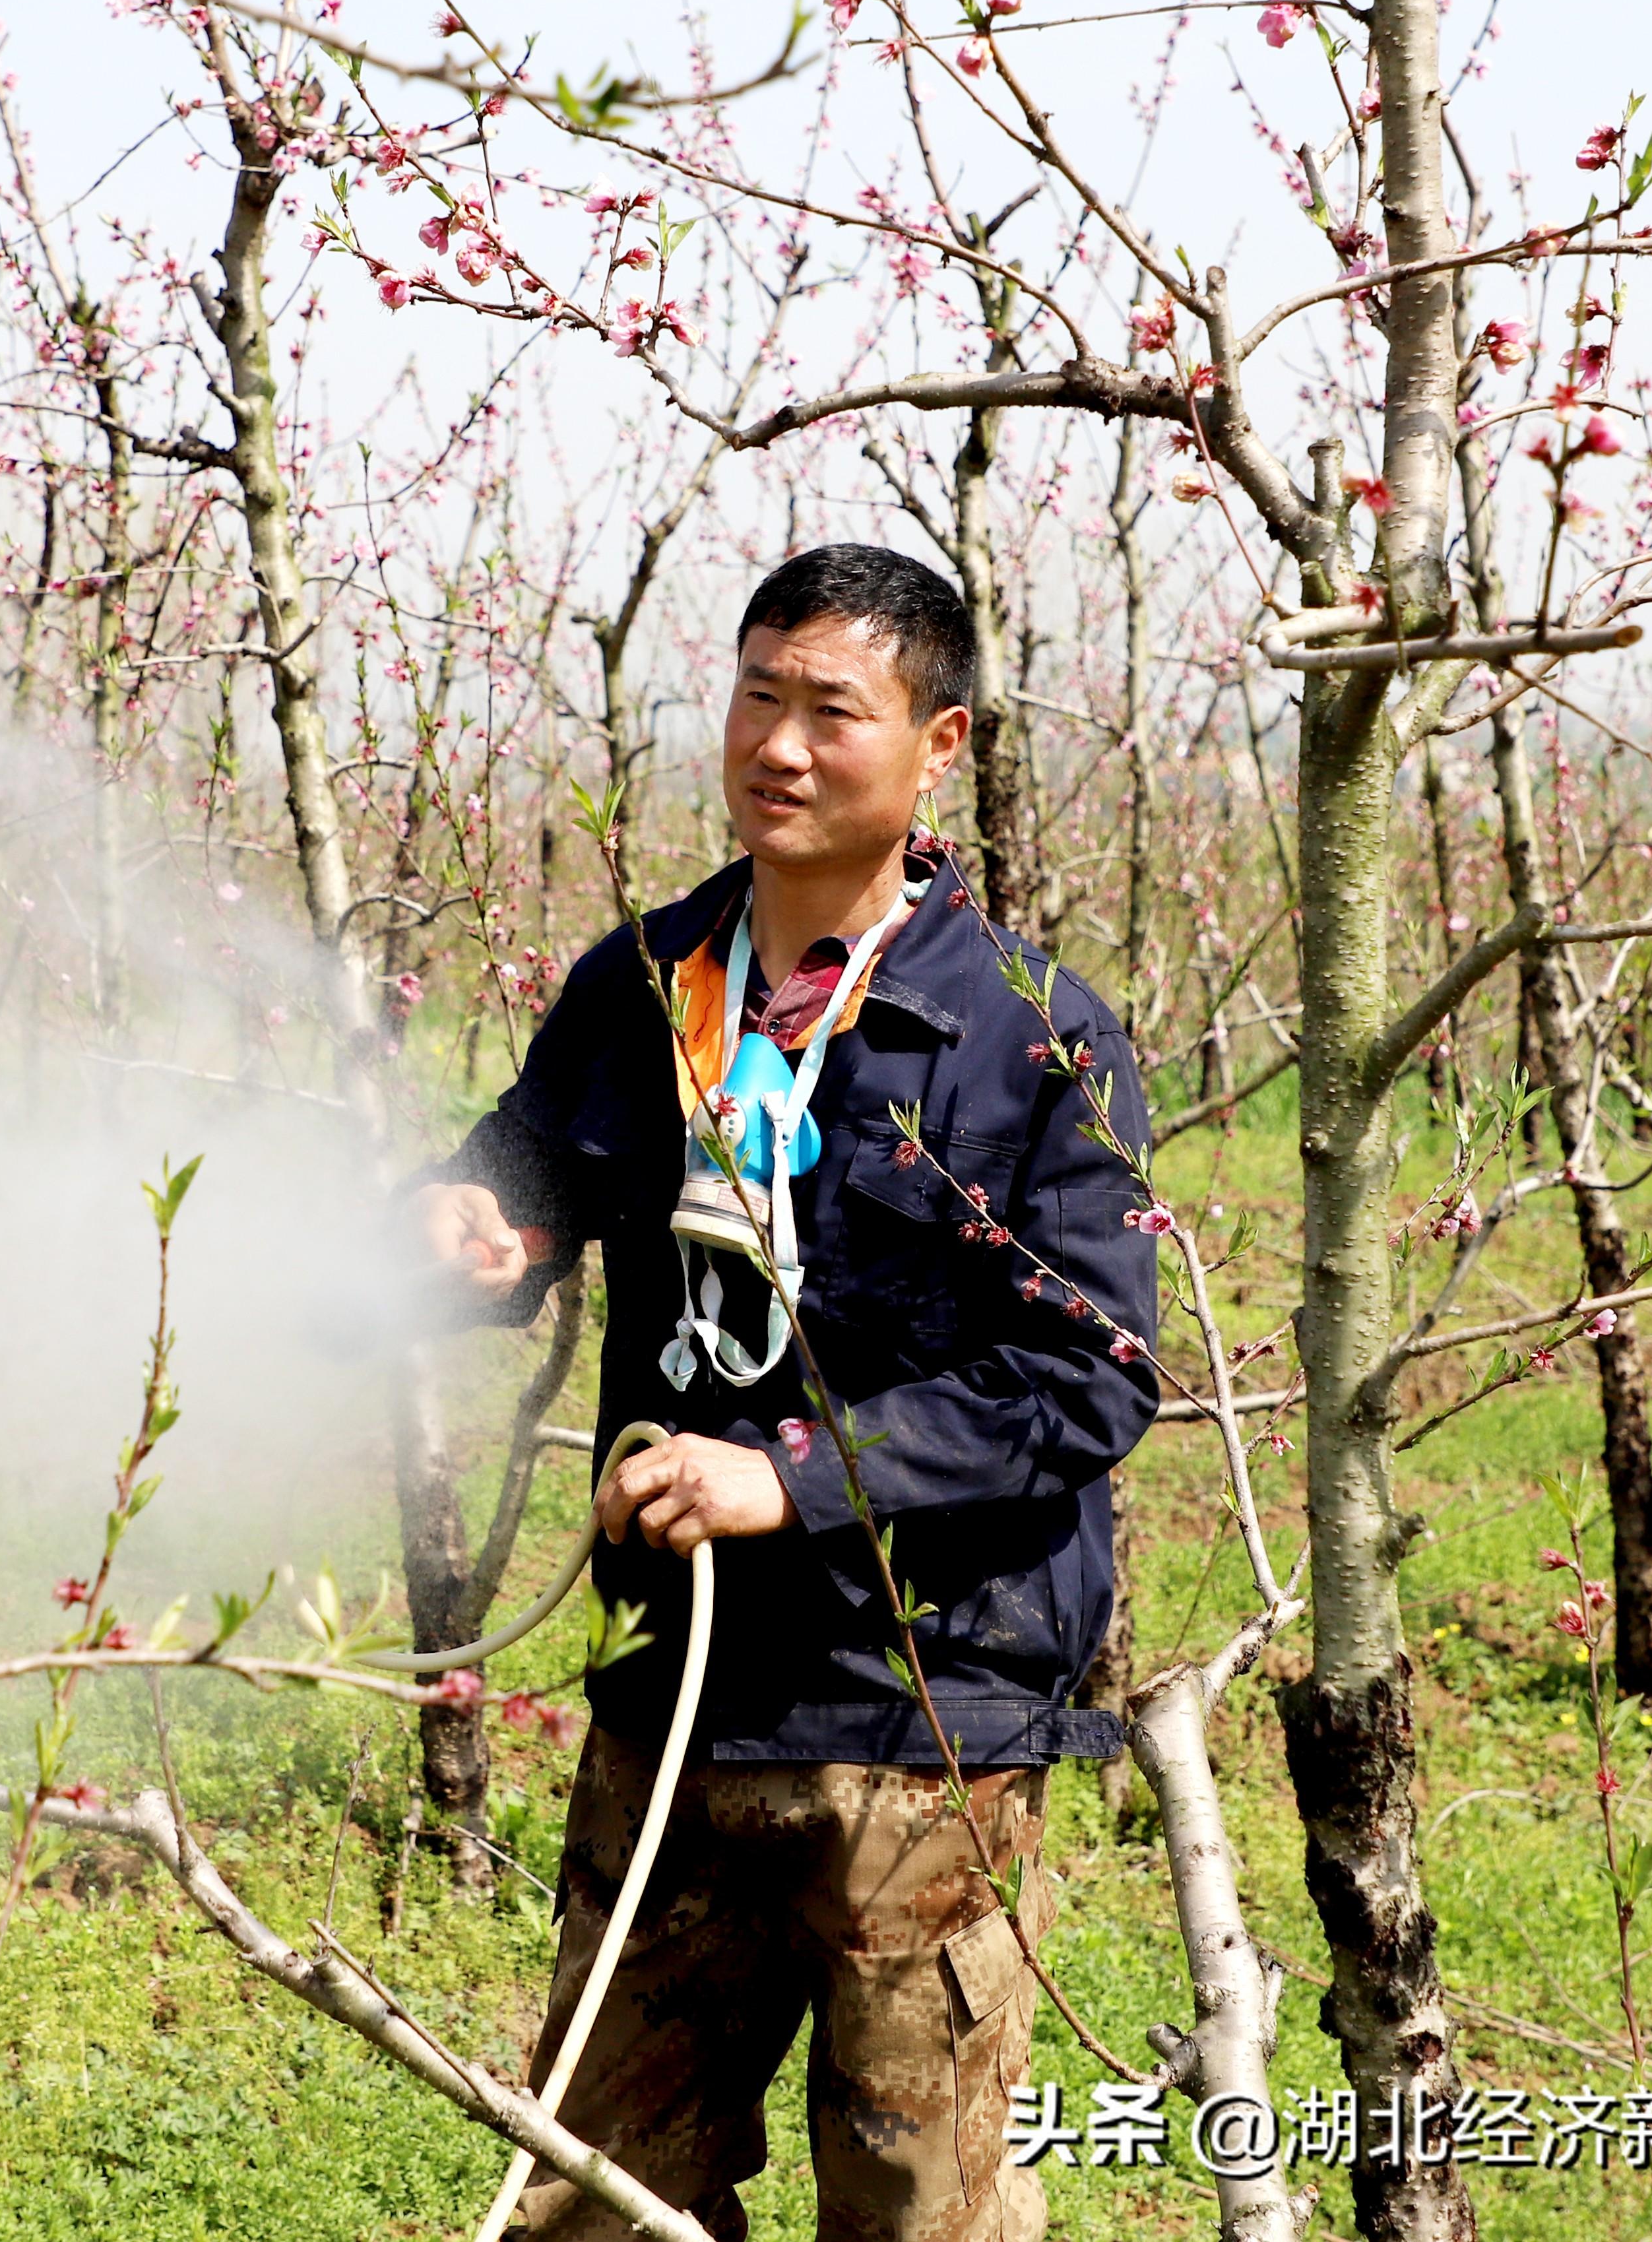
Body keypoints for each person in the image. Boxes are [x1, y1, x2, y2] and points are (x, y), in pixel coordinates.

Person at [416, 543, 1157, 2242]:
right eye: (760, 696)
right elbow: (509, 1200)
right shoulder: (641, 986)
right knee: (596, 2199)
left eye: (835, 709)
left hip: (919, 1728)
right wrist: (457, 1230)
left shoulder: (1038, 1036)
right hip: (668, 1711)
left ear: (940, 746)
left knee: (915, 2215)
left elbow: (1088, 1377)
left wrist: (791, 1477)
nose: (783, 746)